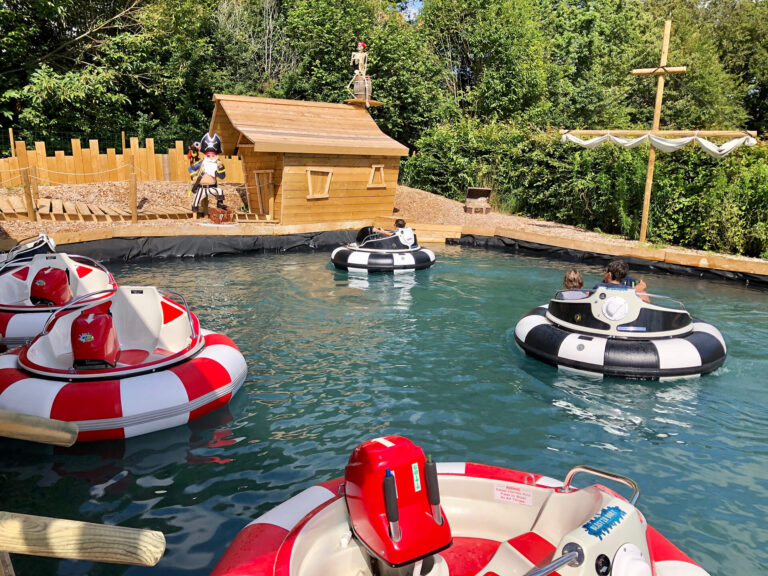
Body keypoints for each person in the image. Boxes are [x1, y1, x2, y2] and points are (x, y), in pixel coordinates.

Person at [189, 145, 227, 215]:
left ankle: (220, 204)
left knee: (220, 191)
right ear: (205, 156)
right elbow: (191, 168)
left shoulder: (217, 165)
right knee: (195, 202)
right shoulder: (201, 163)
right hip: (201, 188)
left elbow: (222, 176)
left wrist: (220, 166)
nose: (210, 158)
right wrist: (193, 175)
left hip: (211, 187)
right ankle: (194, 218)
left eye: (213, 156)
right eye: (208, 156)